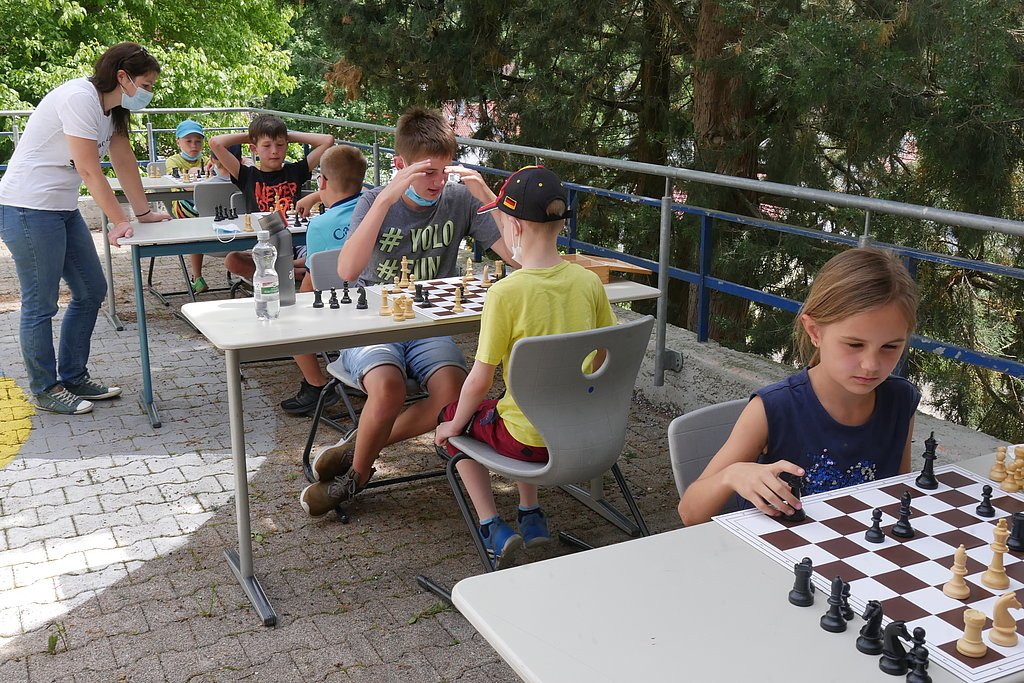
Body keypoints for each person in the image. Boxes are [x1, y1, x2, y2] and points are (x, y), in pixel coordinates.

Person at [298, 106, 516, 517]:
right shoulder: (372, 200)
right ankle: (357, 476)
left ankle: (356, 450)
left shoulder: (459, 199)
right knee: (389, 388)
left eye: (444, 171)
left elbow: (518, 256)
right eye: (427, 172)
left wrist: (488, 197)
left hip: (429, 324)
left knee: (454, 394)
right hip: (372, 321)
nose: (438, 182)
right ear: (400, 165)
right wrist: (385, 199)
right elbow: (346, 271)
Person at [434, 165, 615, 566]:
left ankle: (491, 526)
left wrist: (451, 426)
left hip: (529, 442)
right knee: (516, 400)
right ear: (561, 222)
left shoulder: (505, 294)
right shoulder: (588, 282)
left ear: (513, 227)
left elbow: (479, 381)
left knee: (456, 415)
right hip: (583, 429)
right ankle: (530, 514)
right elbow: (605, 355)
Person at [677, 247, 921, 526]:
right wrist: (731, 475)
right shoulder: (772, 409)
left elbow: (899, 491)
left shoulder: (901, 400)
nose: (871, 365)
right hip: (775, 549)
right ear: (815, 331)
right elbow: (689, 513)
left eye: (890, 347)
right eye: (854, 344)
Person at [0, 42, 169, 415]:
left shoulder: (113, 110)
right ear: (122, 77)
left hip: (61, 208)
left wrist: (142, 213)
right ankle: (46, 388)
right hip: (27, 207)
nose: (148, 93)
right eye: (146, 84)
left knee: (91, 290)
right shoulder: (80, 98)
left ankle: (74, 377)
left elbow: (123, 160)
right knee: (41, 303)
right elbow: (90, 170)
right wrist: (119, 221)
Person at [280, 144, 368, 415]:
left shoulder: (320, 225)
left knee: (288, 315)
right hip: (376, 299)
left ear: (323, 181)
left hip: (341, 309)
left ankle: (316, 384)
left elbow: (312, 282)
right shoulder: (375, 206)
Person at [208, 114, 334, 282]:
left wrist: (286, 135)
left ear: (287, 145)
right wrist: (254, 136)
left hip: (296, 241)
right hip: (263, 243)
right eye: (266, 145)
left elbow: (328, 140)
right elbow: (215, 143)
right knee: (232, 260)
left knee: (320, 254)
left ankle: (285, 269)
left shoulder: (295, 171)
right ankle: (292, 272)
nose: (274, 151)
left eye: (280, 145)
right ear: (254, 148)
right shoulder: (246, 174)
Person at [164, 119, 211, 292]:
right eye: (188, 141)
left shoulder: (207, 160)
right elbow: (185, 185)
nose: (194, 145)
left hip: (206, 205)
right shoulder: (173, 161)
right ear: (178, 142)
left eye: (198, 141)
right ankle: (197, 276)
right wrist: (193, 175)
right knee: (197, 224)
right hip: (182, 207)